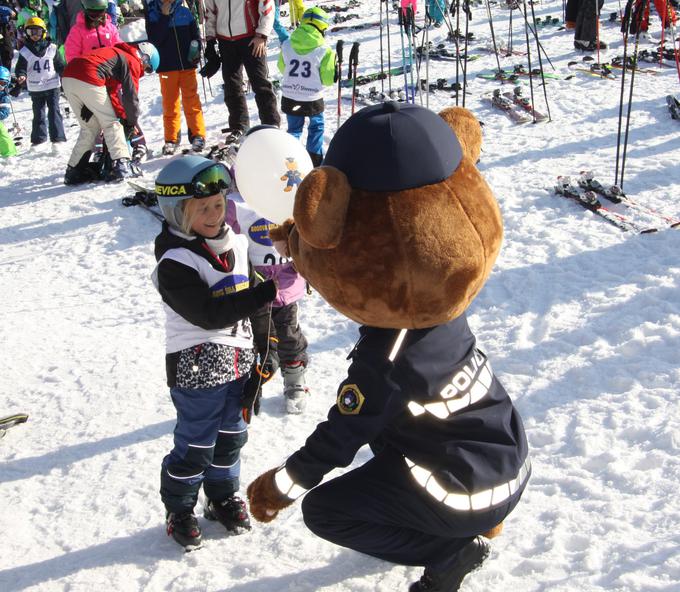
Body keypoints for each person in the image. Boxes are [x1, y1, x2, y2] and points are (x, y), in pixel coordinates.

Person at [152, 155, 278, 550]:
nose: (213, 213)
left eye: (219, 204)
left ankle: (221, 497)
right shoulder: (175, 261)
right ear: (178, 211)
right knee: (196, 445)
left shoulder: (238, 245)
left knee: (231, 439)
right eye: (201, 208)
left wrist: (266, 348)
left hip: (238, 363)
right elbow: (209, 315)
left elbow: (255, 306)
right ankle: (180, 508)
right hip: (196, 367)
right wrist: (267, 291)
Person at [226, 189, 310, 414]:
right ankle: (254, 382)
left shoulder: (291, 196)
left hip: (287, 285)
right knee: (256, 339)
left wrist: (302, 261)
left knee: (289, 336)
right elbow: (229, 241)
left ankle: (294, 381)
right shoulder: (237, 204)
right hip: (254, 288)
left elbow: (304, 233)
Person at [61, 41, 158, 183]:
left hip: (69, 76)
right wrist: (130, 122)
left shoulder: (115, 54)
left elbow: (111, 93)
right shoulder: (131, 59)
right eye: (147, 67)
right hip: (89, 75)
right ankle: (121, 166)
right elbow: (130, 97)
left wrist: (90, 106)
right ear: (145, 57)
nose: (144, 70)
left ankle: (74, 171)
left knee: (90, 127)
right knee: (111, 124)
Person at [201, 0, 280, 143]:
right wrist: (211, 40)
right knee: (232, 85)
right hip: (225, 40)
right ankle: (239, 126)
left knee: (260, 83)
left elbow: (267, 6)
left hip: (251, 38)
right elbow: (210, 12)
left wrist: (262, 35)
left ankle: (271, 124)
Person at [144, 0, 206, 155]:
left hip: (187, 65)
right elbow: (154, 41)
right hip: (166, 67)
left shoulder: (185, 12)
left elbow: (196, 36)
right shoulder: (153, 13)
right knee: (170, 103)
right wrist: (164, 17)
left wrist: (197, 50)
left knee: (192, 100)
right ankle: (171, 139)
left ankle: (198, 135)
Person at [277, 6, 335, 167]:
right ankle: (314, 160)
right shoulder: (324, 49)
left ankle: (290, 160)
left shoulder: (287, 44)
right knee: (316, 127)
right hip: (312, 98)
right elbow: (328, 79)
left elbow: (282, 68)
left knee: (294, 129)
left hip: (290, 96)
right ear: (322, 26)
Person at [14, 16, 67, 147]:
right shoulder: (24, 51)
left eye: (37, 32)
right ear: (26, 33)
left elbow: (60, 65)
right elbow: (20, 68)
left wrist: (65, 75)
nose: (34, 35)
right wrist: (21, 75)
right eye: (30, 32)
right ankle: (38, 139)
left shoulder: (52, 48)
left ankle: (58, 138)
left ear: (43, 32)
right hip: (35, 88)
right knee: (38, 114)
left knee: (54, 111)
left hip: (52, 85)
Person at [0, 66, 18, 157]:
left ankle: (9, 152)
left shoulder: (4, 97)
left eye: (2, 83)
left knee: (1, 131)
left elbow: (5, 112)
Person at [0, 0, 17, 69]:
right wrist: (8, 11)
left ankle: (6, 74)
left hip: (4, 29)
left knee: (8, 53)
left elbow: (13, 14)